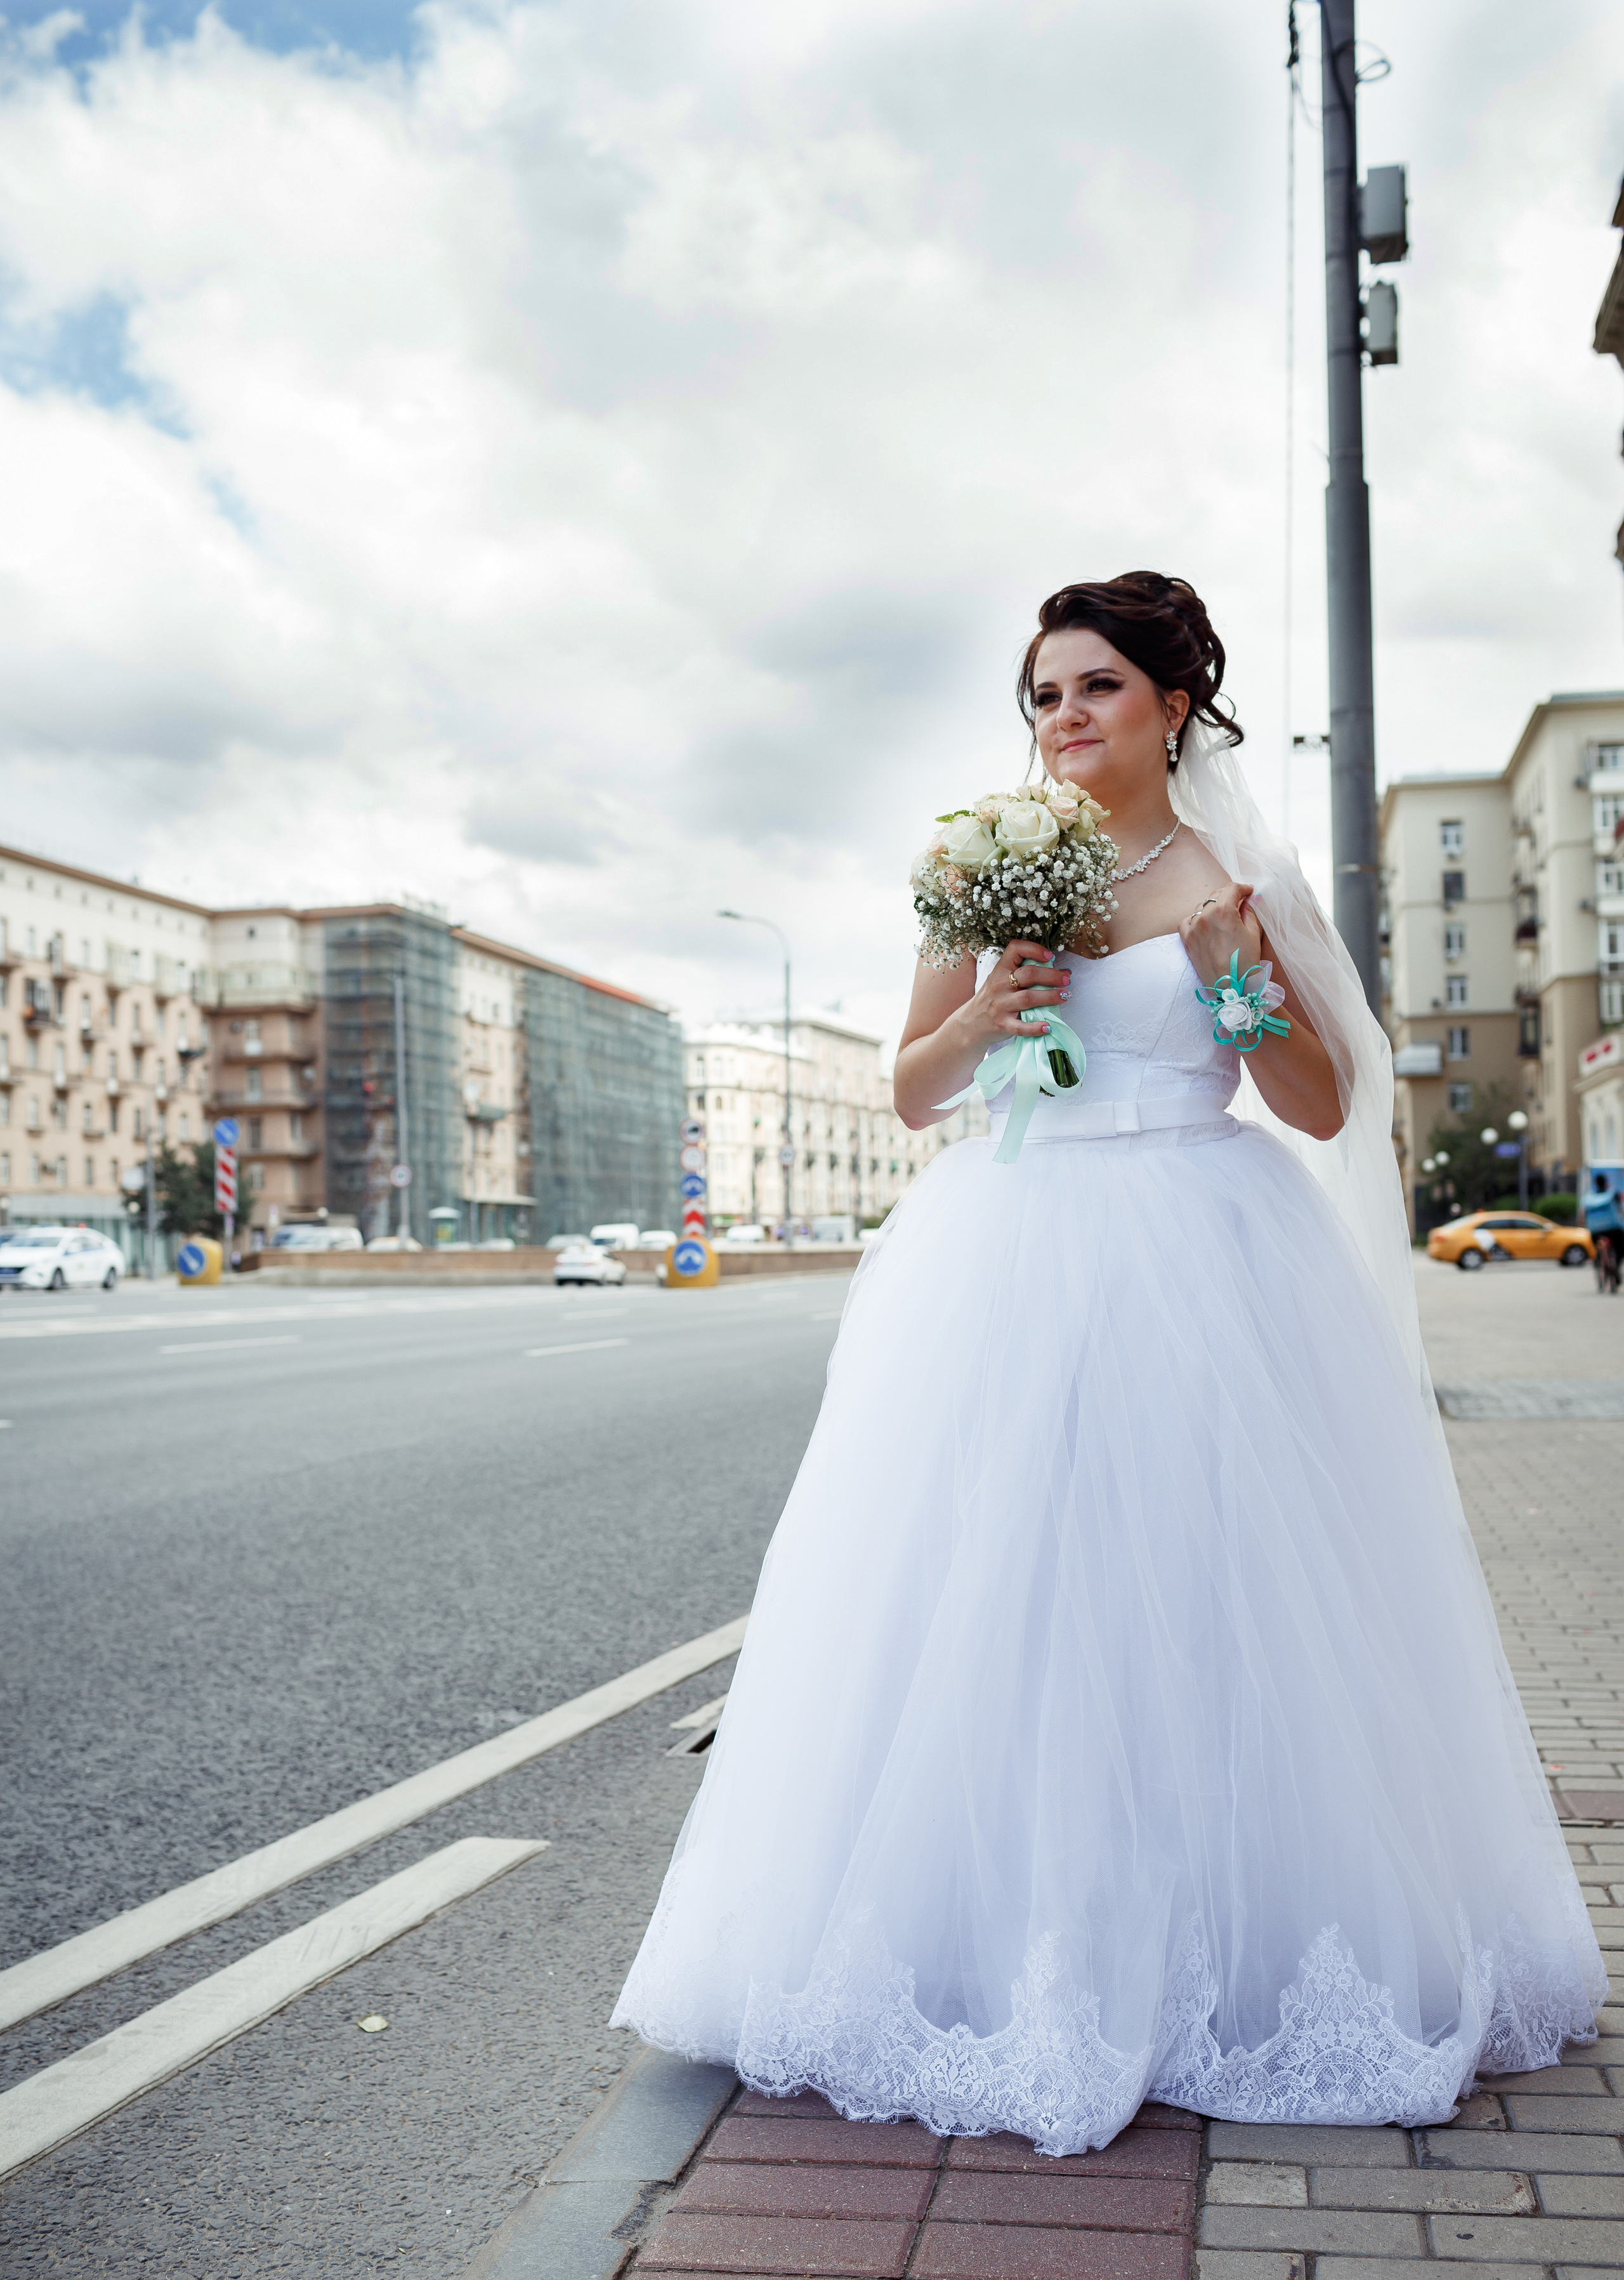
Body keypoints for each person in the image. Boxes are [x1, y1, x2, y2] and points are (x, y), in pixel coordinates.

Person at [612, 573, 1602, 2152]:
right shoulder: (985, 865)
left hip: (1204, 1250)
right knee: (996, 1593)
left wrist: (1226, 975)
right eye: (1041, 697)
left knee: (1204, 1595)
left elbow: (1319, 1107)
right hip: (1004, 1252)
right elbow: (914, 1091)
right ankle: (1007, 1947)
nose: (1061, 722)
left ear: (1171, 703)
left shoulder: (1236, 875)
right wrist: (992, 1005)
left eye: (1093, 690)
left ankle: (1225, 1943)